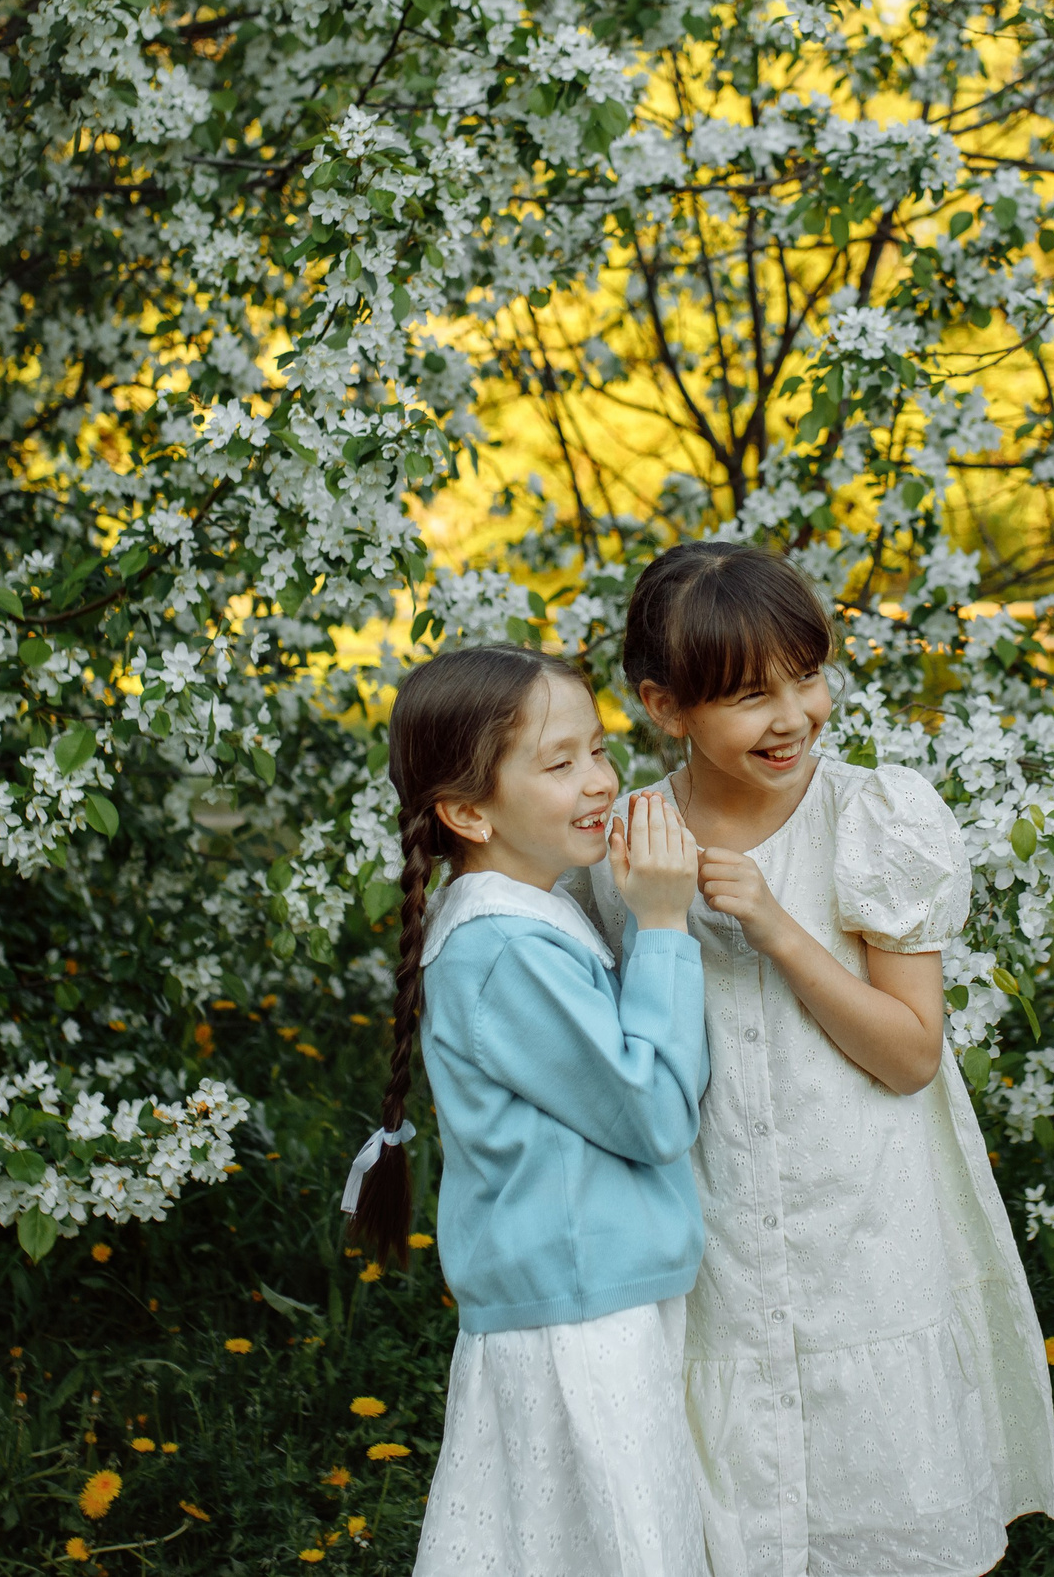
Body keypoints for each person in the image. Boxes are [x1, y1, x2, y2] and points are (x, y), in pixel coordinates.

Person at [573, 542, 1054, 1577]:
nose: (792, 715)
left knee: (879, 1507)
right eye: (750, 696)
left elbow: (909, 1054)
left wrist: (777, 928)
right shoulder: (627, 846)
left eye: (807, 676)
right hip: (713, 1251)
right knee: (728, 1519)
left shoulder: (873, 818)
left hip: (868, 1236)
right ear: (665, 708)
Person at [343, 643, 714, 1577]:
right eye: (558, 763)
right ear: (468, 811)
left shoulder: (523, 918)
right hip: (579, 1322)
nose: (598, 780)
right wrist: (665, 925)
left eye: (598, 748)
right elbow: (658, 1113)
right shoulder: (503, 948)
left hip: (590, 1300)